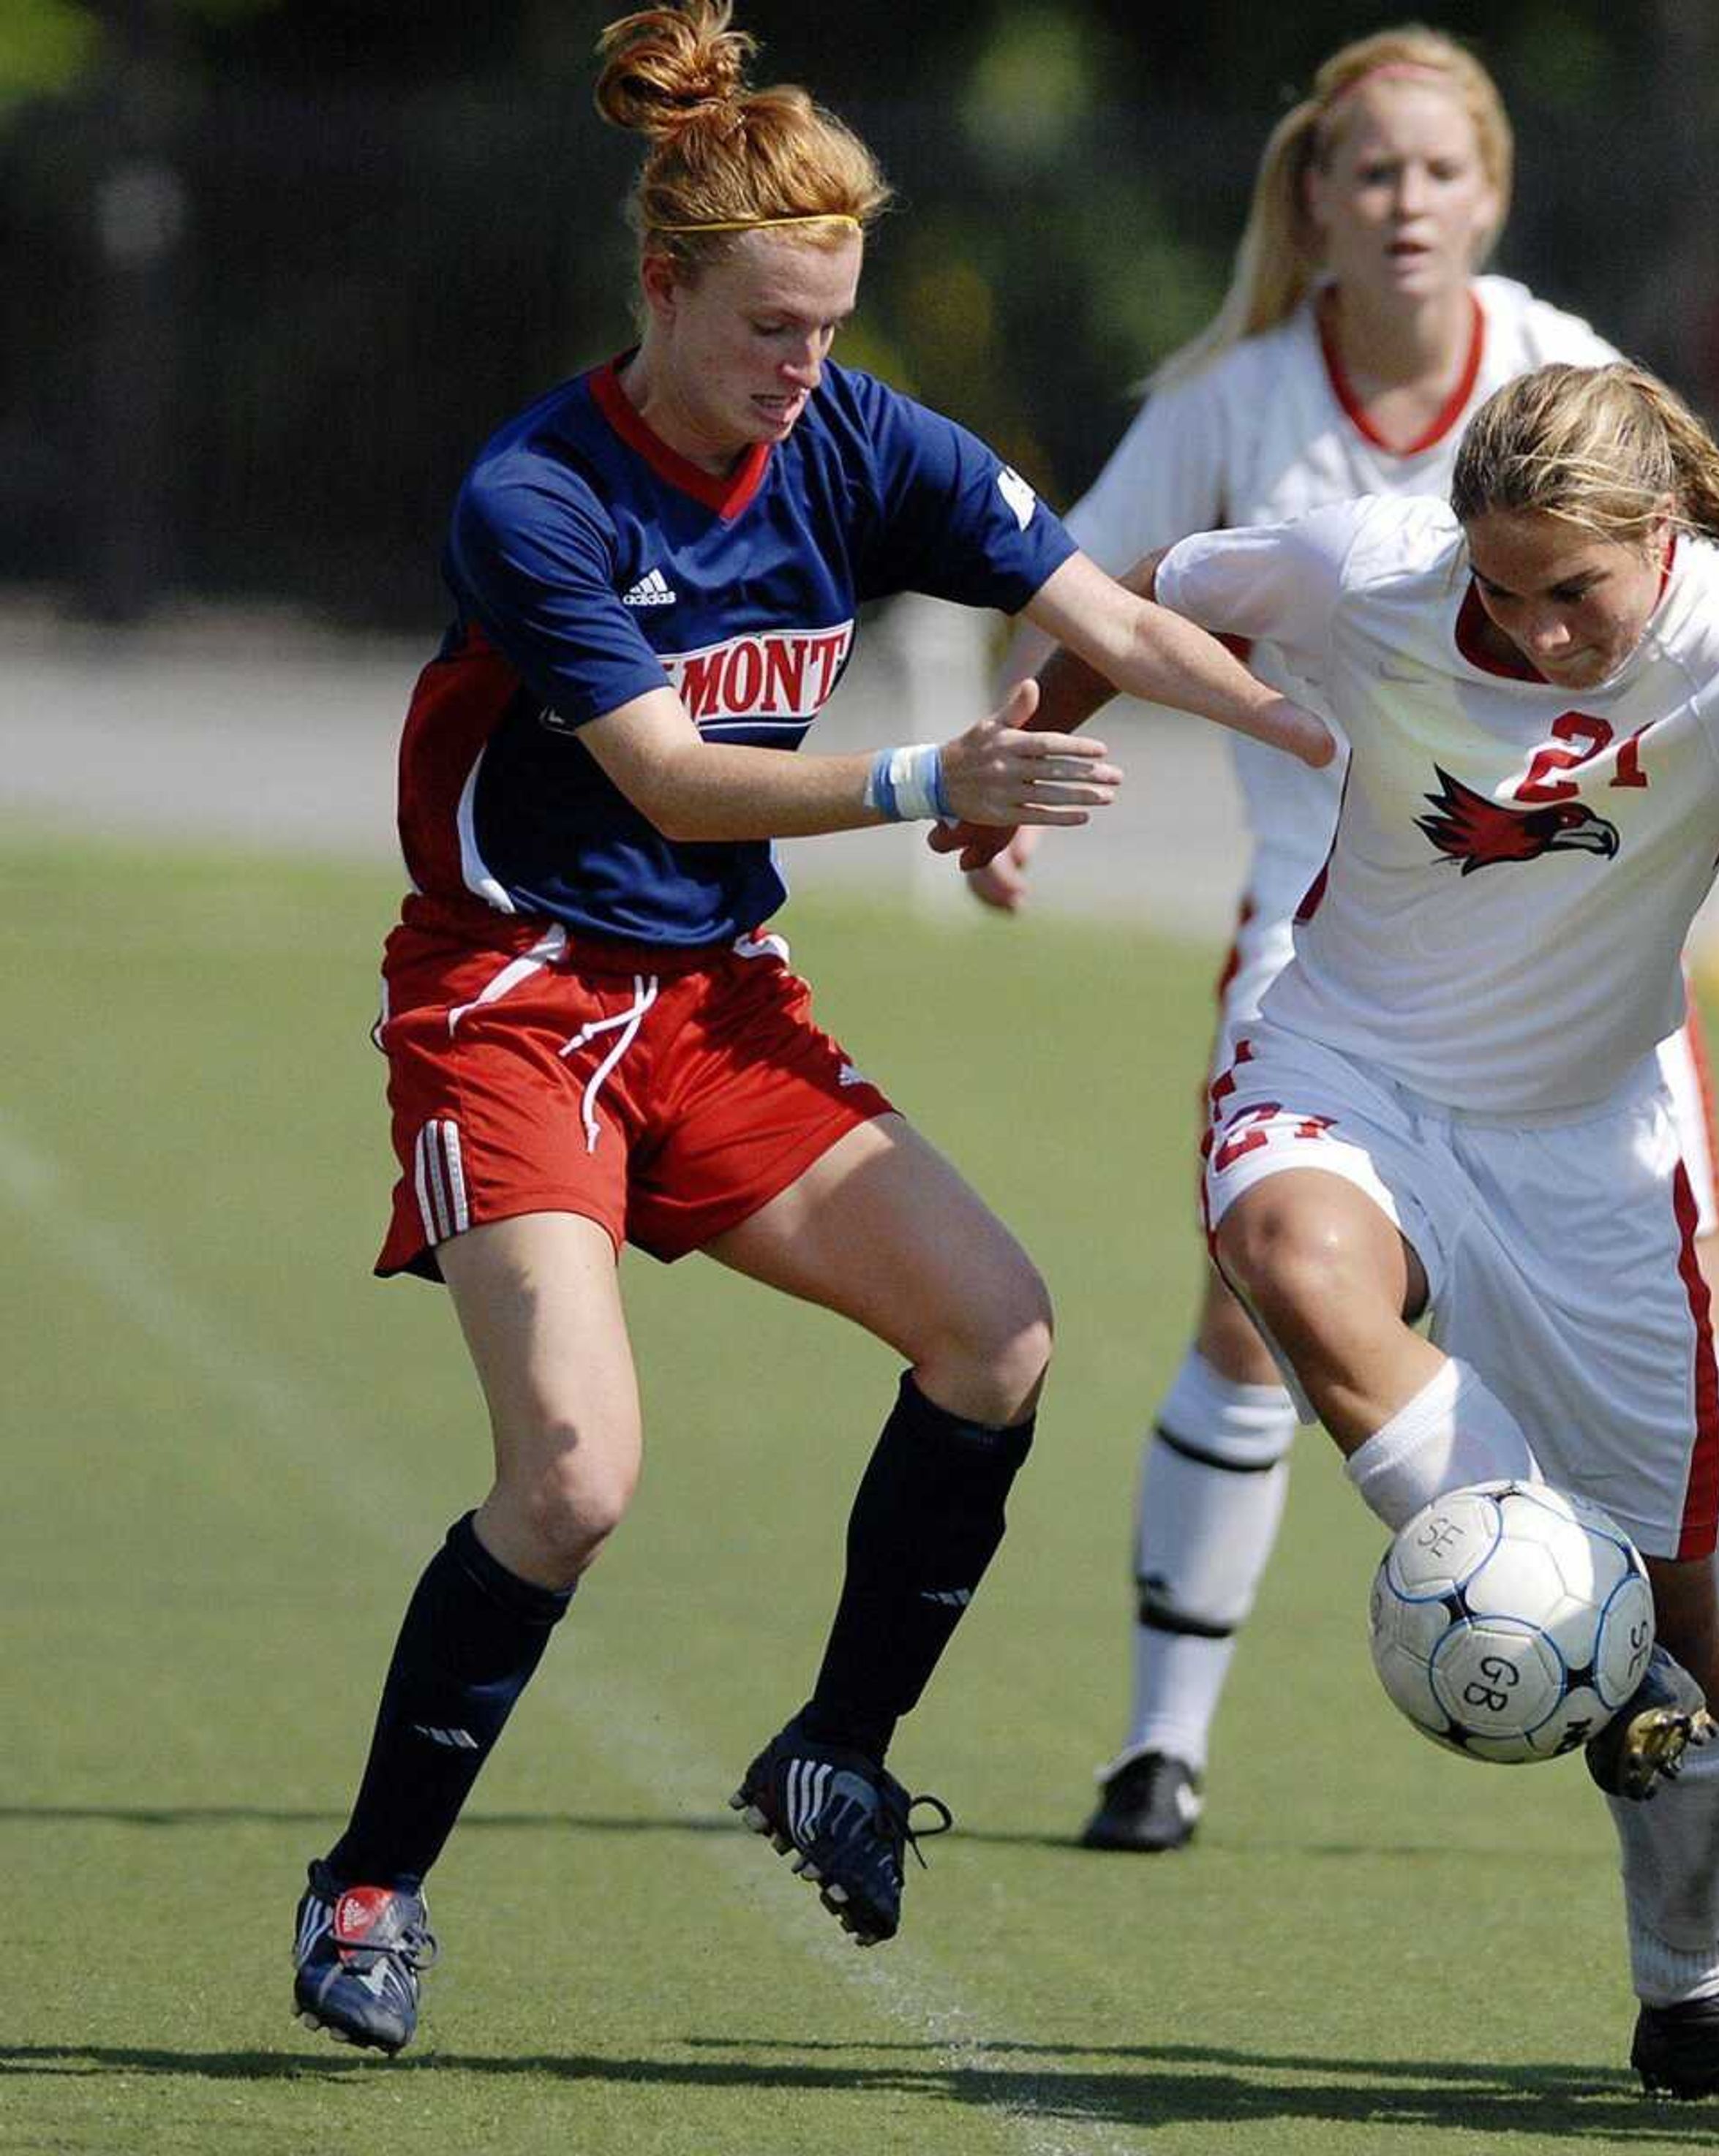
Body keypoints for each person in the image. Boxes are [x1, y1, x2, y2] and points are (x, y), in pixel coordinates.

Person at [285, 0, 1331, 2057]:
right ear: (664, 290)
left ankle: (837, 1751)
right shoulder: (542, 496)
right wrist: (938, 785)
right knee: (575, 1476)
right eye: (770, 326)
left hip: (712, 999)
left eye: (832, 326)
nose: (806, 370)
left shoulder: (853, 435)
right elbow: (674, 778)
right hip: (514, 997)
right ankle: (371, 1880)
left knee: (998, 1330)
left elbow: (1099, 608)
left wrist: (1315, 726)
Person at [967, 360, 1719, 2103]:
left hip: (1591, 1162)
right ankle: (1536, 1591)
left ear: (1660, 542)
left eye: (1572, 590)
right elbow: (1135, 584)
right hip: (1343, 1064)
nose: (1534, 628)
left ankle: (1699, 1998)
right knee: (1286, 1256)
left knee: (1685, 1655)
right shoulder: (1376, 568)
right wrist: (1029, 736)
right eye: (1500, 588)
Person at [974, 26, 1719, 1870]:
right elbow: (1093, 586)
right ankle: (1162, 1750)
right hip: (1328, 952)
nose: (1405, 203)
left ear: (1493, 195)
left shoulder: (1560, 375)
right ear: (1311, 199)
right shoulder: (1234, 397)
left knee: (1697, 1322)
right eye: (1368, 171)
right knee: (1255, 1311)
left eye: (1439, 171)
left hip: (1566, 932)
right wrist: (1017, 758)